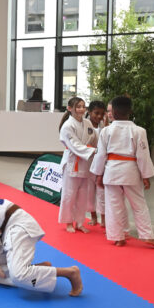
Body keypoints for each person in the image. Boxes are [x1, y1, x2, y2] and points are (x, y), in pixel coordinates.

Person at [89, 95, 154, 248]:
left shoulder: (106, 131)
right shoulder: (139, 131)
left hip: (111, 171)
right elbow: (143, 155)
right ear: (130, 111)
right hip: (131, 172)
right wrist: (145, 176)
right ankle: (147, 235)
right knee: (139, 205)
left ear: (112, 112)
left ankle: (118, 237)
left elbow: (101, 155)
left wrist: (98, 175)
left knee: (113, 205)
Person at [58, 96, 96, 233]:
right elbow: (75, 145)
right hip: (72, 161)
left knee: (83, 195)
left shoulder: (88, 123)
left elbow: (94, 139)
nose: (81, 109)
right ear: (69, 108)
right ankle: (68, 222)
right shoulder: (67, 126)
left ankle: (80, 222)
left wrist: (99, 149)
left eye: (83, 106)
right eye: (78, 107)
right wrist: (94, 151)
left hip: (86, 162)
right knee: (69, 194)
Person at [85, 100, 107, 227]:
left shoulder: (105, 128)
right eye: (96, 113)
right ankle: (93, 216)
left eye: (101, 114)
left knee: (101, 192)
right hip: (87, 163)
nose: (99, 116)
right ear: (89, 112)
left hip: (101, 165)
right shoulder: (84, 127)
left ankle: (103, 219)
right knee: (89, 192)